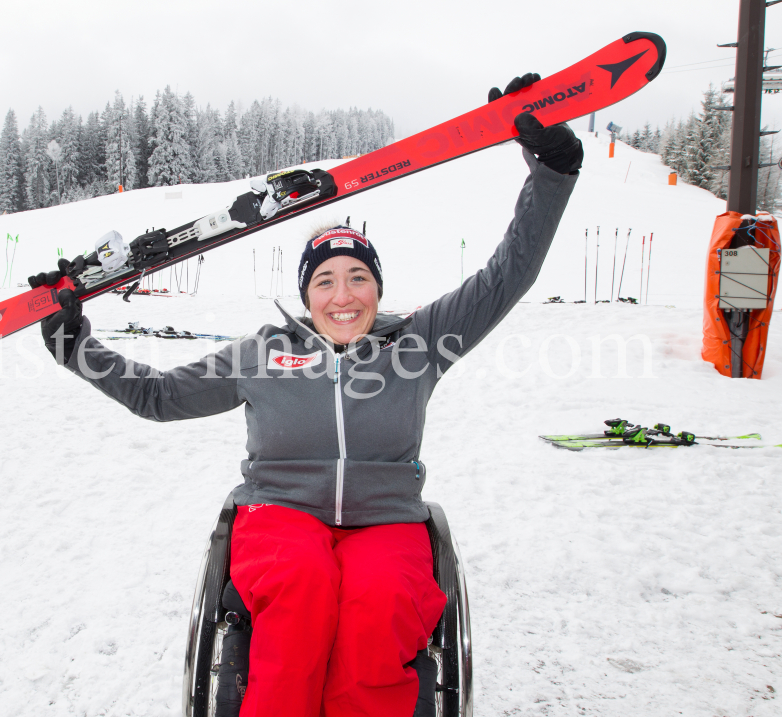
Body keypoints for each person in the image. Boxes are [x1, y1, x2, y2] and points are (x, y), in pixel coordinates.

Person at [30, 73, 582, 717]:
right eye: (325, 281)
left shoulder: (420, 342)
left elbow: (507, 273)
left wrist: (552, 174)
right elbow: (156, 396)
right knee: (301, 591)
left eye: (357, 277)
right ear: (306, 295)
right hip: (279, 515)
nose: (342, 295)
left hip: (387, 519)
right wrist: (76, 347)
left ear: (376, 288)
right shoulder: (262, 352)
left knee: (379, 609)